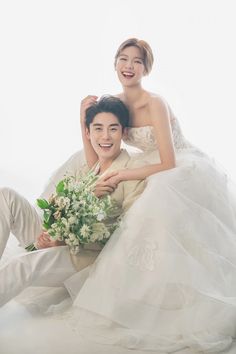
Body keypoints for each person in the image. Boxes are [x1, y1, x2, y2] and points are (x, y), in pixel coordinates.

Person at [68, 38, 236, 353]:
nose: (128, 66)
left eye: (137, 61)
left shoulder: (154, 102)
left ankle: (179, 297)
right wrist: (82, 121)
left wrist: (124, 174)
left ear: (146, 68)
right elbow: (98, 161)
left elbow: (169, 162)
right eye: (123, 58)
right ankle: (140, 293)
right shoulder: (114, 103)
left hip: (179, 168)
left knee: (156, 203)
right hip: (147, 164)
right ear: (115, 63)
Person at [0, 95, 146, 307]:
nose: (105, 136)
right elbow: (61, 206)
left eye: (113, 129)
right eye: (98, 128)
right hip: (56, 241)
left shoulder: (129, 174)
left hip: (84, 259)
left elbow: (125, 237)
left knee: (19, 265)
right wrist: (51, 233)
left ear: (123, 132)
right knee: (5, 196)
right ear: (88, 133)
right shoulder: (91, 168)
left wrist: (60, 241)